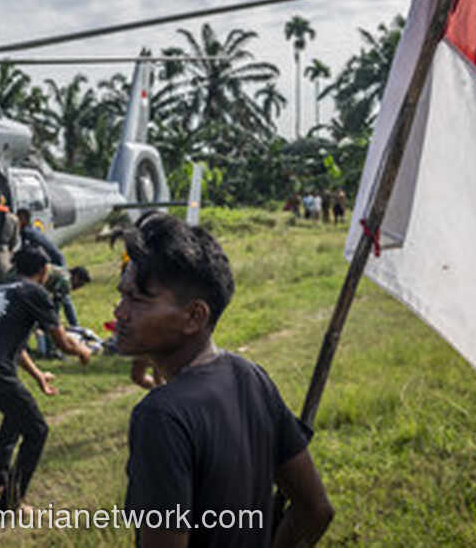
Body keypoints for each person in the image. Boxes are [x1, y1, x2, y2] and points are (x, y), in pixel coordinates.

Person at [113, 212, 334, 546]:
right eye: (122, 295)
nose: (119, 312)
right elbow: (315, 510)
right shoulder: (251, 377)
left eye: (138, 300)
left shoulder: (160, 416)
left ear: (194, 316)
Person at [0, 247, 92, 512]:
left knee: (16, 415)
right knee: (37, 430)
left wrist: (39, 375)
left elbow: (17, 348)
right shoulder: (35, 292)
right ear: (44, 271)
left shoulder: (2, 289)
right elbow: (62, 341)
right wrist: (82, 350)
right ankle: (11, 502)